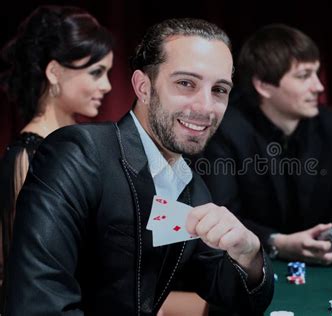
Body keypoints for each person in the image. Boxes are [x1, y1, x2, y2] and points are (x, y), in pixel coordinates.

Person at [3, 18, 273, 315]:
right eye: (186, 83)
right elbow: (39, 305)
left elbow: (235, 301)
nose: (205, 107)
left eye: (219, 90)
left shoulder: (193, 189)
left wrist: (250, 254)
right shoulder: (78, 153)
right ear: (143, 87)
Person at [196, 24, 332, 266]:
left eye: (316, 74)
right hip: (257, 268)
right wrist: (278, 243)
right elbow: (219, 218)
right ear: (264, 85)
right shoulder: (224, 129)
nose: (318, 87)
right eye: (303, 76)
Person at [0, 5, 113, 280]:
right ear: (54, 72)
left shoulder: (86, 144)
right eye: (96, 72)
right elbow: (25, 272)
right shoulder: (28, 157)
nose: (107, 85)